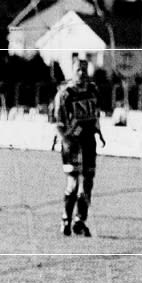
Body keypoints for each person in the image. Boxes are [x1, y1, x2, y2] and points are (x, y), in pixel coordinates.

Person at [53, 58, 106, 237]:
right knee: (74, 182)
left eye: (84, 69)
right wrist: (65, 140)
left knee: (88, 181)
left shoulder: (92, 90)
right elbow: (57, 122)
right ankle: (65, 219)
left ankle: (80, 220)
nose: (82, 73)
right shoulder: (65, 94)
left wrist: (99, 132)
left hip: (89, 141)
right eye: (78, 70)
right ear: (72, 71)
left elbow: (95, 115)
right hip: (72, 143)